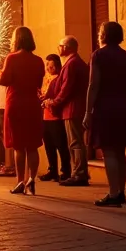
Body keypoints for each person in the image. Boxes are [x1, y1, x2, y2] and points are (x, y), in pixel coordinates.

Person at [85, 22, 126, 207]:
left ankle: (113, 193)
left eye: (100, 32)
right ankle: (121, 191)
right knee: (120, 151)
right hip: (124, 106)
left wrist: (88, 111)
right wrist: (123, 96)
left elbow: (93, 85)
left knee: (109, 150)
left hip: (105, 107)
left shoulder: (98, 55)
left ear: (104, 35)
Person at [0, 27, 45, 195]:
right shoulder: (38, 60)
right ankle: (32, 179)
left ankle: (20, 181)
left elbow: (5, 81)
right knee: (32, 145)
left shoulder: (12, 58)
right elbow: (38, 83)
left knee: (18, 146)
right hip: (32, 104)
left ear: (16, 40)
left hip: (16, 103)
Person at [45, 36, 89, 187]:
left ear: (66, 47)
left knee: (75, 143)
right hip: (74, 108)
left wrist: (54, 102)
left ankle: (79, 174)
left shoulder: (72, 63)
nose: (58, 48)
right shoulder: (75, 62)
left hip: (73, 109)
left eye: (60, 45)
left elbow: (66, 89)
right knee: (75, 142)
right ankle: (79, 172)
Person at [40, 54, 72, 182]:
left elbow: (58, 96)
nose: (49, 68)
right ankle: (52, 170)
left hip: (56, 117)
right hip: (46, 116)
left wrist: (47, 100)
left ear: (58, 65)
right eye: (47, 65)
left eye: (51, 66)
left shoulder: (59, 79)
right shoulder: (47, 80)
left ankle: (66, 170)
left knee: (61, 145)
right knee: (49, 145)